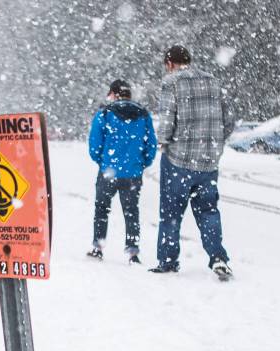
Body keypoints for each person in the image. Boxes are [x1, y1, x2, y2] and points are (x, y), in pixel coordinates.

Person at [151, 45, 235, 280]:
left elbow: (167, 120)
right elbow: (229, 120)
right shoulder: (213, 81)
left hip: (179, 160)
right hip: (208, 163)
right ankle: (218, 257)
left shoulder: (172, 83)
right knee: (208, 211)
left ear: (169, 63)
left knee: (170, 213)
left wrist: (163, 141)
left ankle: (168, 261)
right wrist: (214, 142)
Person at [87, 79, 158, 264]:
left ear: (116, 94)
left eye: (110, 93)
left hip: (108, 172)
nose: (108, 97)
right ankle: (133, 253)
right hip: (133, 173)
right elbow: (151, 145)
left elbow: (94, 145)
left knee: (102, 209)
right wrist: (141, 163)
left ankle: (98, 247)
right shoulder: (143, 115)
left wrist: (103, 162)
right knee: (131, 212)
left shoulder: (104, 114)